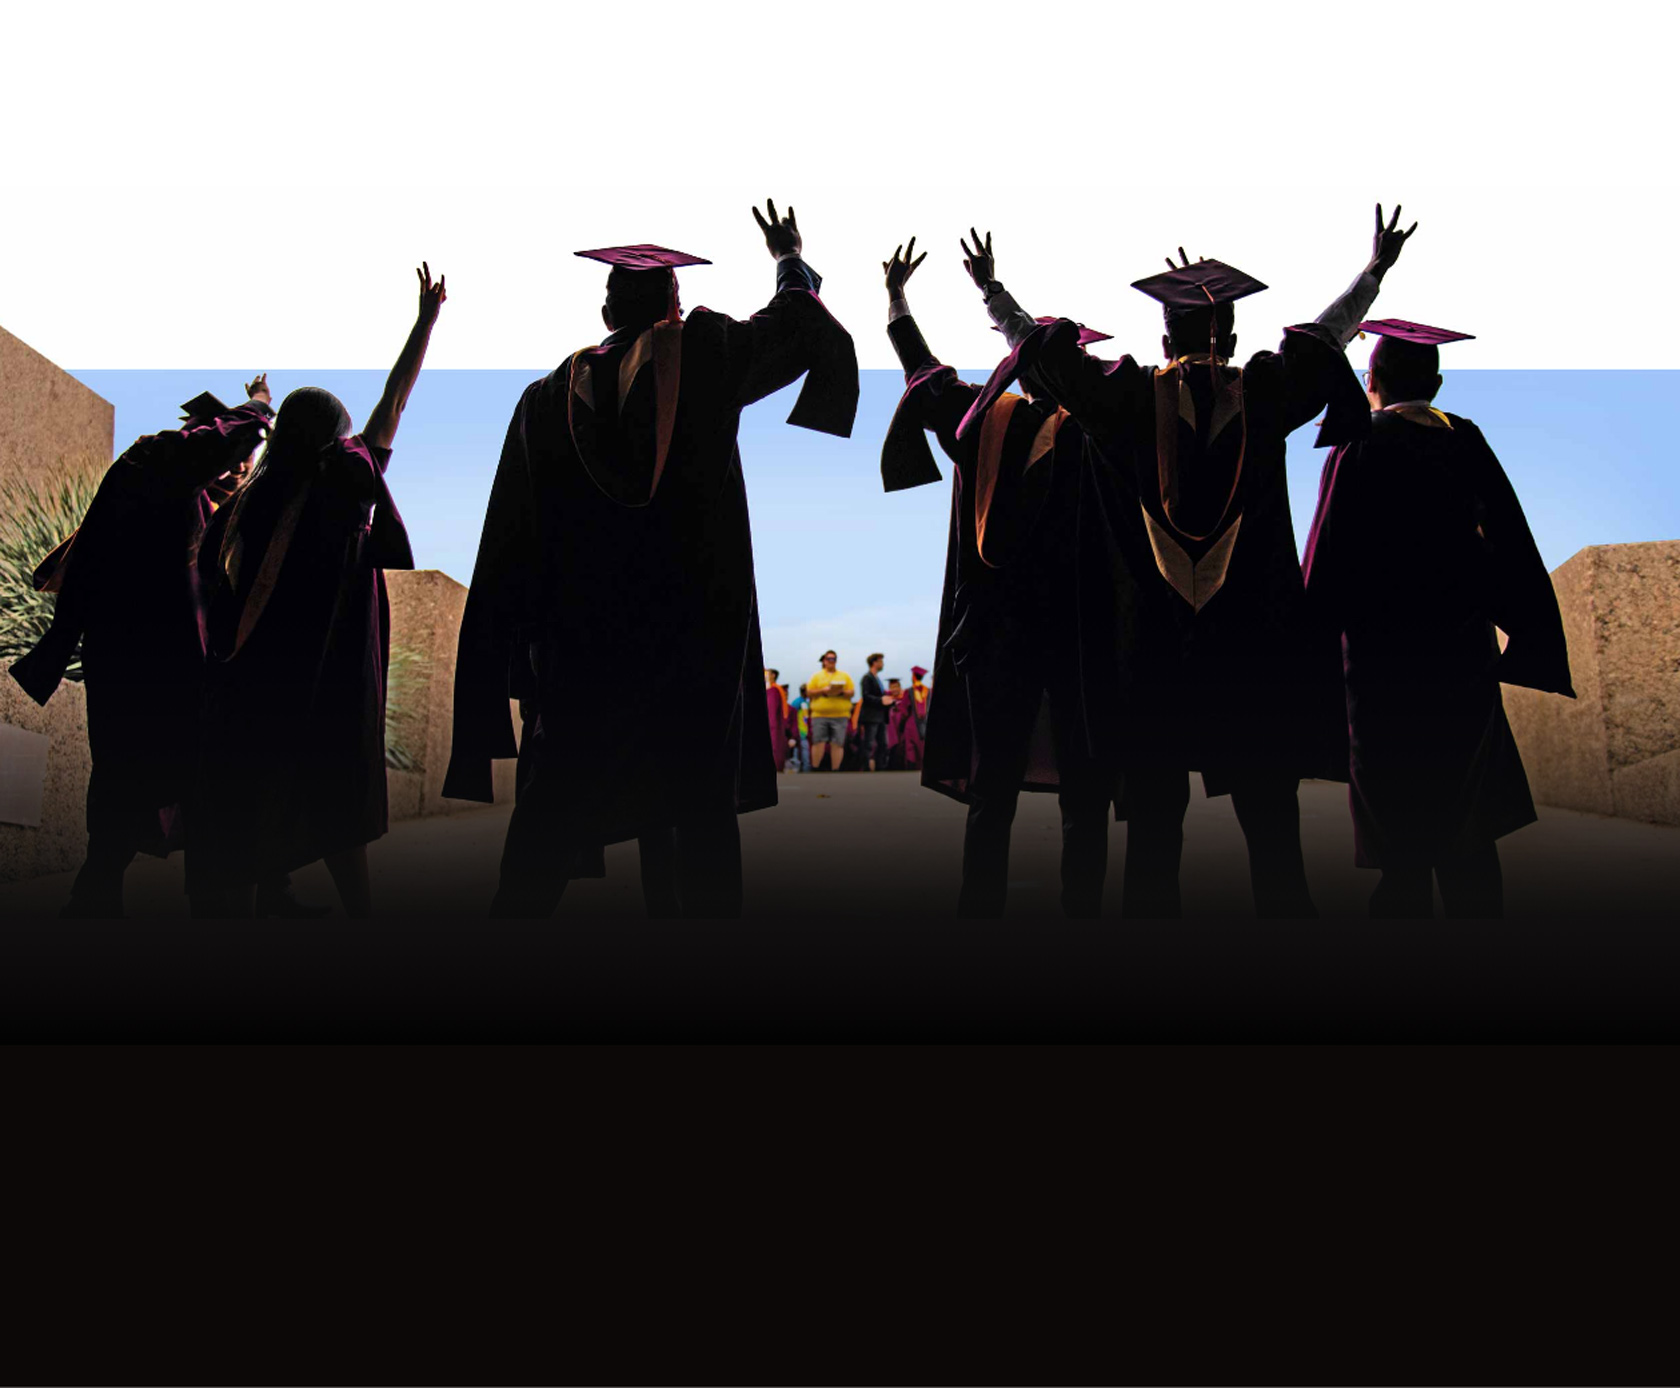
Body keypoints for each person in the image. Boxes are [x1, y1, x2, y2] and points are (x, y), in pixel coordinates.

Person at [959, 206, 1416, 917]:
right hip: (1253, 652)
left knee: (1153, 831)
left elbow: (1042, 357)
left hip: (1148, 658)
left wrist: (993, 292)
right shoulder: (1267, 391)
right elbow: (1328, 339)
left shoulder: (1122, 398)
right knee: (1271, 827)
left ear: (1161, 334)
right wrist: (1375, 272)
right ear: (1231, 335)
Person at [444, 204, 858, 917]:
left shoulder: (545, 399)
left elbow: (509, 536)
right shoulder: (703, 351)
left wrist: (513, 656)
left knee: (552, 811)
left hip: (581, 650)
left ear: (606, 310)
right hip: (688, 641)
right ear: (675, 303)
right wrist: (789, 254)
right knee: (693, 811)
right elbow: (795, 320)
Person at [188, 265, 447, 917]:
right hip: (327, 682)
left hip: (250, 684)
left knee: (245, 807)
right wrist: (426, 321)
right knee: (338, 806)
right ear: (336, 436)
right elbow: (395, 403)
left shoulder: (244, 506)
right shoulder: (341, 489)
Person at [878, 238, 1125, 917]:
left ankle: (978, 913)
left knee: (996, 788)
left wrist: (897, 297)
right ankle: (1080, 917)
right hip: (1080, 636)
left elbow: (920, 370)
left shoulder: (983, 422)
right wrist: (990, 292)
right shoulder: (1108, 427)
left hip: (999, 636)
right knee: (1083, 790)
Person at [8, 380, 313, 917]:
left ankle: (112, 891)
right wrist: (261, 407)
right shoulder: (157, 462)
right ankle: (114, 892)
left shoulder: (180, 492)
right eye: (239, 454)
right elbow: (224, 440)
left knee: (145, 781)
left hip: (145, 664)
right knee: (148, 778)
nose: (242, 466)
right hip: (144, 667)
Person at [1303, 318, 1574, 917]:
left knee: (1399, 842)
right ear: (1438, 383)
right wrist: (1521, 628)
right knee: (1469, 832)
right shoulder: (1466, 440)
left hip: (1380, 670)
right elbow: (1511, 544)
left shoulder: (1359, 440)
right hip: (1462, 661)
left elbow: (1327, 555)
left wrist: (1305, 651)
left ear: (1370, 381)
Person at [804, 649, 855, 771]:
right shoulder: (817, 676)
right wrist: (823, 690)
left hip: (840, 715)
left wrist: (840, 691)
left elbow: (851, 692)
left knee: (837, 743)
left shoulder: (844, 676)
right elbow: (809, 692)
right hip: (820, 714)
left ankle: (835, 769)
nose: (831, 661)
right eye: (829, 659)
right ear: (824, 661)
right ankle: (815, 768)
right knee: (818, 741)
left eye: (834, 659)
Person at [858, 652, 896, 770]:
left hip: (880, 716)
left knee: (883, 744)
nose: (882, 664)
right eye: (881, 661)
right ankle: (865, 767)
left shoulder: (876, 679)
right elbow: (866, 696)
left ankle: (880, 767)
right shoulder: (867, 678)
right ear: (874, 662)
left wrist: (889, 701)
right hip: (871, 717)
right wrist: (881, 700)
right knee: (869, 743)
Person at [888, 674, 925, 770]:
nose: (894, 689)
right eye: (892, 687)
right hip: (892, 730)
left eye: (896, 687)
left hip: (903, 726)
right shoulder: (887, 699)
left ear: (900, 687)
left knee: (908, 747)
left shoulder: (906, 696)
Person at [764, 667, 793, 772]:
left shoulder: (774, 691)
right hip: (774, 726)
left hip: (773, 726)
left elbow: (771, 713)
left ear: (773, 676)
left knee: (774, 745)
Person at [791, 684, 812, 772]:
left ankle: (805, 768)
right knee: (798, 749)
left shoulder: (808, 702)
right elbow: (792, 716)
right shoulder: (797, 702)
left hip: (805, 731)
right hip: (799, 730)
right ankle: (798, 767)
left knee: (804, 749)